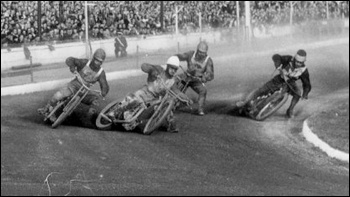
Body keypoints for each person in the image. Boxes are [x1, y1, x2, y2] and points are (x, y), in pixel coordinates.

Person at [108, 56, 193, 133]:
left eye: (175, 69)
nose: (173, 71)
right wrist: (151, 70)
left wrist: (187, 99)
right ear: (167, 66)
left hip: (155, 100)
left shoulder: (173, 81)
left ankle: (170, 126)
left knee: (167, 110)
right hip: (145, 92)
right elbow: (143, 66)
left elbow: (177, 92)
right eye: (172, 68)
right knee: (134, 99)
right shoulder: (159, 70)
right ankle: (114, 111)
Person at [38, 48, 109, 122]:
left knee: (95, 102)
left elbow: (104, 85)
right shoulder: (84, 62)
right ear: (93, 58)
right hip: (73, 85)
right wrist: (72, 67)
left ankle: (90, 119)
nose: (97, 63)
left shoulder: (101, 73)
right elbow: (70, 59)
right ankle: (47, 108)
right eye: (96, 60)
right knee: (58, 96)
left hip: (85, 92)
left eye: (100, 62)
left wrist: (103, 92)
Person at [237, 49, 311, 118]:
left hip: (290, 84)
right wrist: (278, 64)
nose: (298, 63)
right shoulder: (289, 59)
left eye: (300, 62)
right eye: (297, 61)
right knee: (262, 90)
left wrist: (305, 94)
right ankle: (245, 102)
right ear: (294, 59)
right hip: (279, 79)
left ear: (304, 62)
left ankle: (290, 110)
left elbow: (307, 84)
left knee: (298, 93)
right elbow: (276, 56)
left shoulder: (304, 70)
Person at [175, 41, 214, 116]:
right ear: (197, 50)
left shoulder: (208, 60)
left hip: (196, 80)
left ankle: (200, 109)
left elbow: (210, 74)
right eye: (200, 52)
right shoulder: (191, 54)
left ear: (206, 52)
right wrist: (175, 57)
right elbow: (182, 56)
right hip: (186, 76)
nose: (201, 54)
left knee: (203, 90)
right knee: (174, 83)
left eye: (203, 52)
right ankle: (169, 103)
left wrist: (205, 77)